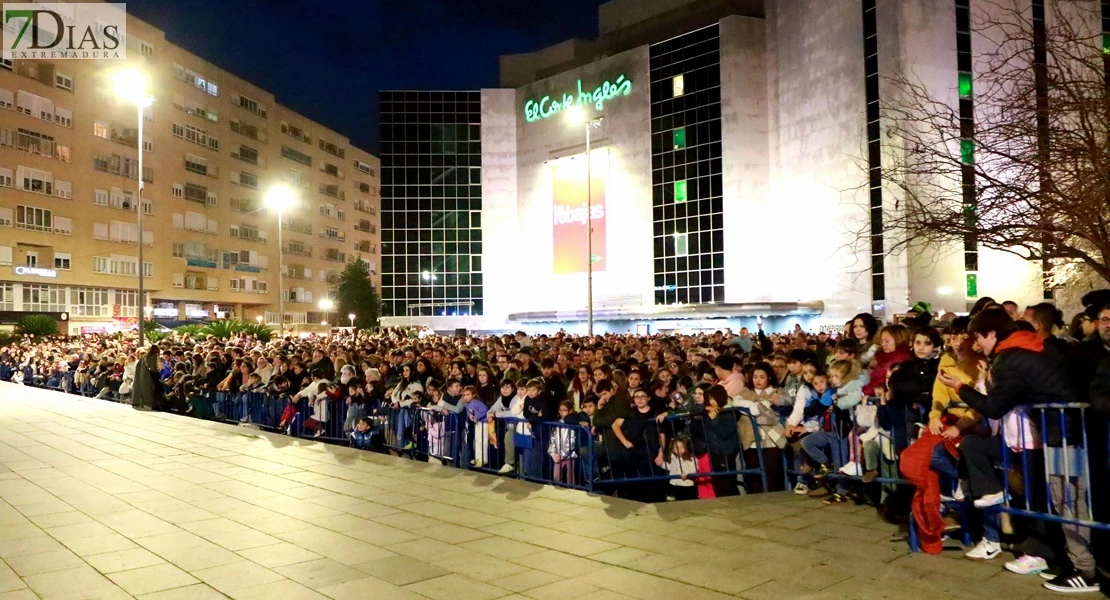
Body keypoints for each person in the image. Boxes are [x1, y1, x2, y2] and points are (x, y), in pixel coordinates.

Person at [939, 307, 1095, 592]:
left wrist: (961, 387)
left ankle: (1085, 570)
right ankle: (1067, 561)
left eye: (979, 338)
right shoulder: (1028, 346)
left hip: (1061, 433)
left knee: (1069, 502)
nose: (978, 345)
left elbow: (994, 407)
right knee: (1062, 500)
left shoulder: (1010, 357)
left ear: (992, 334)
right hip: (1058, 431)